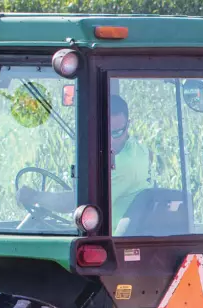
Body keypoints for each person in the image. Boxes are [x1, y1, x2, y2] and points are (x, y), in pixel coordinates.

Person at [17, 94, 152, 234]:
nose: (110, 139)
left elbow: (77, 202)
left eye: (117, 133)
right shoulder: (139, 150)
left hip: (110, 238)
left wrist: (35, 197)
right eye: (105, 132)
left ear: (128, 125)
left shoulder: (124, 163)